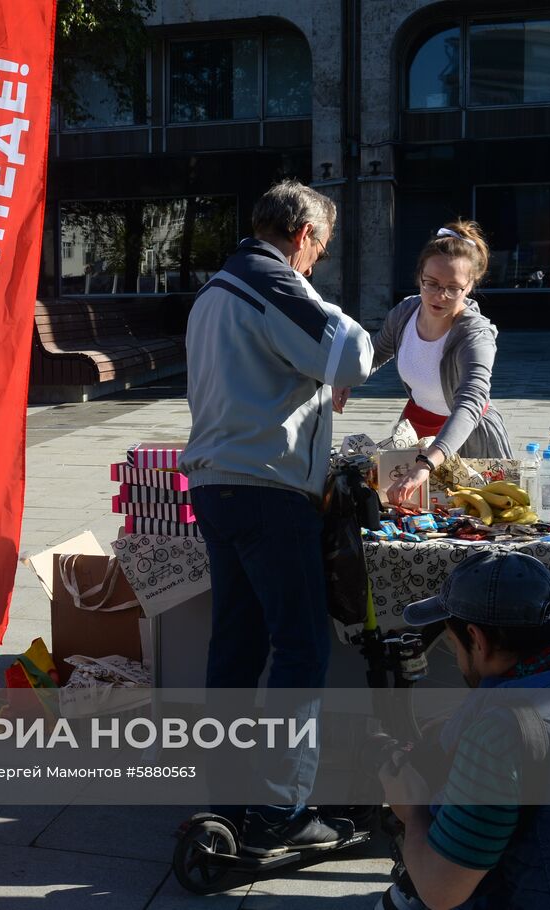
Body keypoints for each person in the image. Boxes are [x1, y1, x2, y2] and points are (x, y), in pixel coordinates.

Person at [181, 178, 374, 854]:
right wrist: (329, 319)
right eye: (319, 249)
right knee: (300, 646)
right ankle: (281, 811)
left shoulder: (217, 288)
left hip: (218, 487)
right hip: (267, 491)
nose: (317, 262)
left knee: (235, 648)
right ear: (300, 236)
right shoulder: (271, 279)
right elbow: (353, 351)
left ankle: (229, 800)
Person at [377, 549, 550, 910]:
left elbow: (441, 890)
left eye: (455, 645)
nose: (456, 658)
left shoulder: (500, 737)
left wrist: (412, 812)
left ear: (478, 639)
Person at [334, 221, 512, 506]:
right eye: (431, 283)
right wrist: (346, 376)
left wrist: (427, 463)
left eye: (453, 288)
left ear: (470, 286)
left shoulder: (475, 334)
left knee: (473, 525)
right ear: (419, 276)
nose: (439, 295)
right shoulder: (406, 312)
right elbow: (377, 352)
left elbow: (470, 404)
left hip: (467, 437)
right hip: (417, 429)